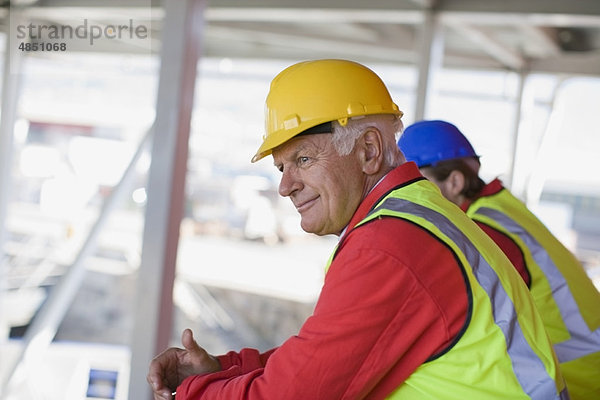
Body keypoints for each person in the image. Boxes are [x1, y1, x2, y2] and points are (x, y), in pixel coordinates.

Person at [147, 60, 568, 399]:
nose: (285, 186)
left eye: (304, 160)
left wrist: (195, 393)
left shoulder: (390, 246)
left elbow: (293, 394)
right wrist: (224, 370)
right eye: (281, 167)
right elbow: (328, 358)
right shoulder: (412, 219)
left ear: (368, 150)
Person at [398, 119, 600, 400]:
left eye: (417, 185)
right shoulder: (500, 209)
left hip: (574, 380)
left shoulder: (484, 231)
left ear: (455, 181)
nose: (409, 199)